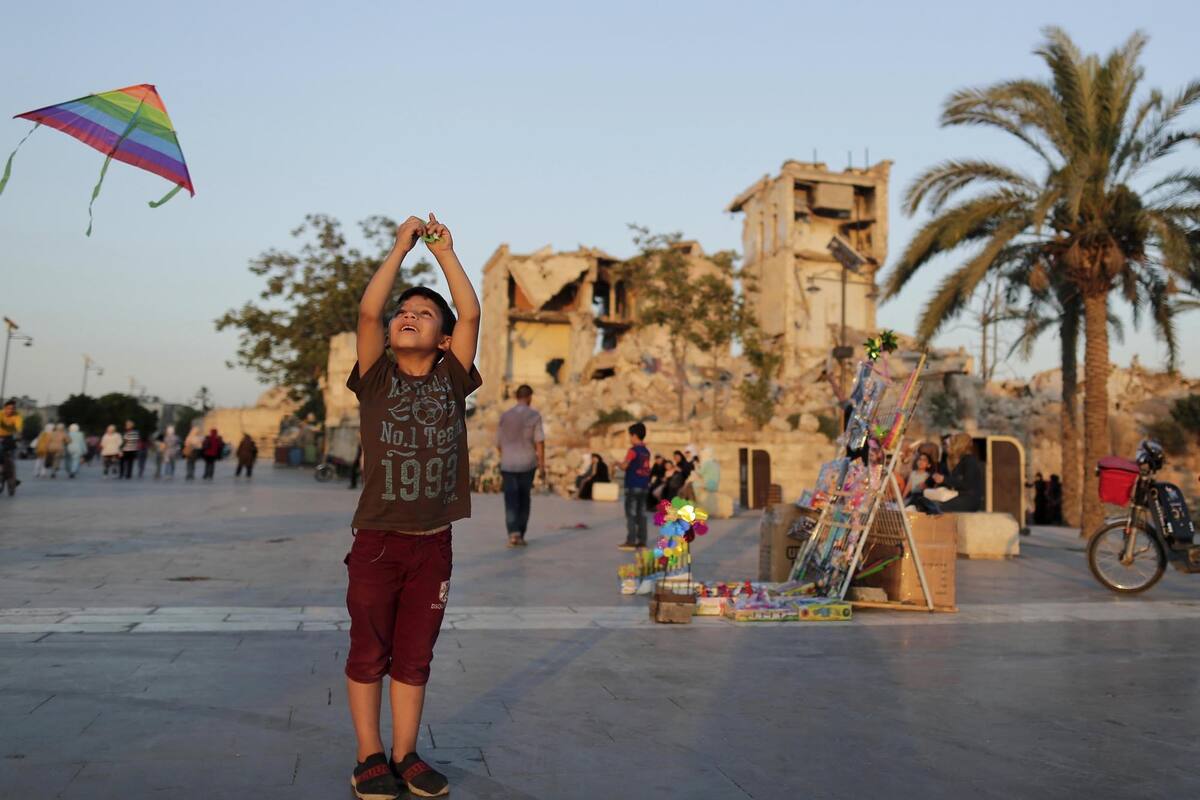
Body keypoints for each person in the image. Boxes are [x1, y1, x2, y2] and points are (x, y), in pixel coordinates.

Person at [343, 212, 480, 800]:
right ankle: (369, 754)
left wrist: (445, 252)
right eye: (406, 311)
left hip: (433, 544)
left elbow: (471, 312)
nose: (407, 316)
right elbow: (369, 312)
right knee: (369, 648)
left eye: (424, 314)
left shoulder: (452, 379)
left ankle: (406, 753)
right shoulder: (375, 378)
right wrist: (401, 248)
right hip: (377, 540)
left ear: (445, 340)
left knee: (415, 655)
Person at [495, 384, 545, 547]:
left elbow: (498, 443)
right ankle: (521, 535)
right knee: (524, 499)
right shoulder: (535, 415)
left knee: (510, 499)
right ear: (529, 397)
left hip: (508, 464)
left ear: (516, 397)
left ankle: (513, 534)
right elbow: (539, 442)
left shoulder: (505, 416)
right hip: (527, 462)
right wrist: (542, 465)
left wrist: (504, 456)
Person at [617, 422, 651, 550]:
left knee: (630, 513)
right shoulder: (646, 451)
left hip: (633, 485)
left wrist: (617, 463)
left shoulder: (633, 451)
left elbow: (625, 466)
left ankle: (631, 540)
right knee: (641, 513)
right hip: (644, 485)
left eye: (630, 436)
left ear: (635, 435)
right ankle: (642, 541)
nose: (630, 438)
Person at [930, 432, 984, 512]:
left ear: (960, 444)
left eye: (954, 442)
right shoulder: (962, 460)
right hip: (962, 498)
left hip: (968, 500)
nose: (950, 445)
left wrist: (944, 479)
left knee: (935, 507)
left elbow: (967, 484)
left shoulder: (969, 461)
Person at [0, 399, 23, 491]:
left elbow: (18, 428)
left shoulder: (17, 416)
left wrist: (18, 436)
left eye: (12, 409)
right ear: (4, 408)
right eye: (8, 408)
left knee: (12, 458)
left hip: (9, 438)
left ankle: (12, 477)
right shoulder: (0, 414)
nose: (10, 410)